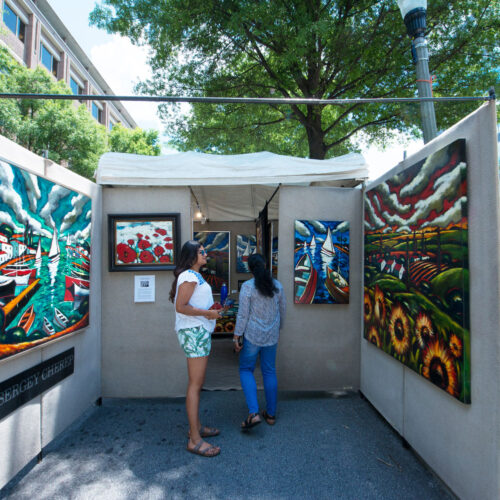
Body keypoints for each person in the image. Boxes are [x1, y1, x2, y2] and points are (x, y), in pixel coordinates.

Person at [169, 240, 222, 457]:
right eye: (201, 252)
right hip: (194, 333)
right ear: (192, 256)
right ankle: (194, 439)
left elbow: (191, 303)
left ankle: (197, 428)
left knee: (196, 384)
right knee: (195, 385)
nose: (205, 254)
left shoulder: (193, 275)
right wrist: (208, 314)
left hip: (197, 332)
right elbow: (181, 307)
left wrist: (211, 312)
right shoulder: (189, 276)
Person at [233, 253, 286, 430]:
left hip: (252, 336)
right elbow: (283, 311)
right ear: (265, 265)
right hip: (271, 336)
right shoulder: (277, 285)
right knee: (269, 371)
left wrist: (236, 335)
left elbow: (243, 314)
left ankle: (254, 413)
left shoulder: (247, 287)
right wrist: (279, 328)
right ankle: (270, 414)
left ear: (250, 268)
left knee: (246, 369)